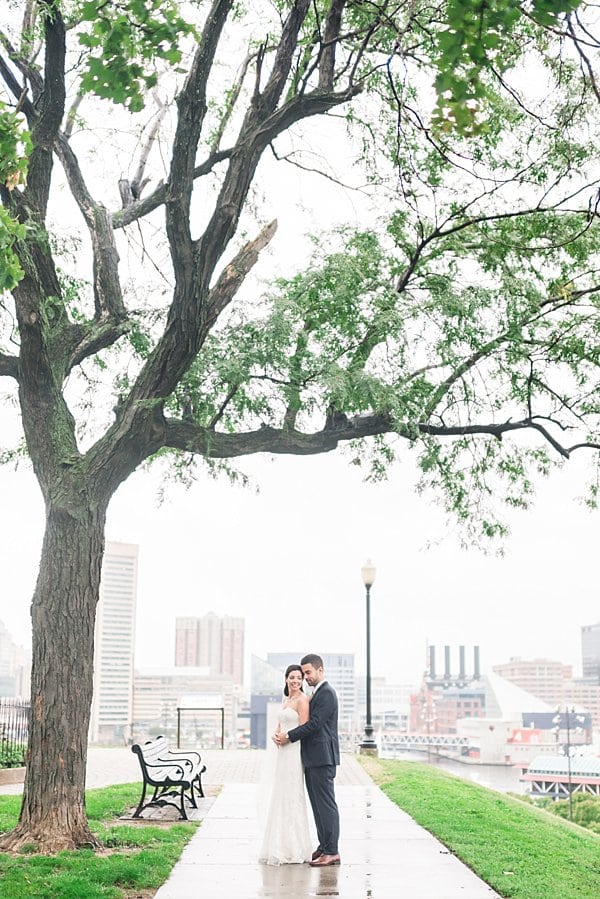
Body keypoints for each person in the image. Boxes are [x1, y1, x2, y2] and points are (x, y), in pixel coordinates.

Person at [275, 653, 341, 867]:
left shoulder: (327, 694)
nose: (305, 677)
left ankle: (332, 851)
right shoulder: (316, 693)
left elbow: (314, 724)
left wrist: (289, 736)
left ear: (320, 670)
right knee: (317, 805)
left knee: (326, 805)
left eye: (308, 673)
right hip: (313, 758)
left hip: (323, 758)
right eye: (304, 673)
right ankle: (324, 846)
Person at [258, 664, 313, 865]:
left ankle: (294, 847)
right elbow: (281, 722)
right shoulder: (286, 699)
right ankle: (278, 844)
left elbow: (305, 728)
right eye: (292, 677)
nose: (296, 681)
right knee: (280, 794)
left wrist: (287, 738)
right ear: (286, 679)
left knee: (292, 794)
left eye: (299, 678)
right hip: (282, 752)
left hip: (294, 752)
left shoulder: (302, 700)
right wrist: (276, 733)